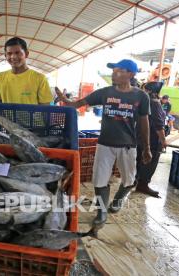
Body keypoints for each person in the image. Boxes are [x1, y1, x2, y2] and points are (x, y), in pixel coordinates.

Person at [55, 59, 151, 231]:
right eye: (113, 70)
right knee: (99, 180)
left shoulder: (141, 96)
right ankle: (101, 213)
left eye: (119, 70)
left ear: (131, 74)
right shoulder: (105, 92)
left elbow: (144, 123)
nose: (114, 73)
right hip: (104, 144)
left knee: (129, 179)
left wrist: (147, 148)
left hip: (128, 145)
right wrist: (65, 100)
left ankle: (118, 200)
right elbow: (78, 104)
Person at [0, 37, 53, 105]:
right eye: (9, 53)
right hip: (3, 116)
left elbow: (45, 108)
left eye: (17, 53)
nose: (13, 57)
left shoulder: (40, 78)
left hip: (32, 116)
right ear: (5, 56)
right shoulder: (0, 77)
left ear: (26, 54)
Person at [135, 82, 167, 198]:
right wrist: (163, 141)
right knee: (150, 162)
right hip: (152, 140)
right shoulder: (155, 104)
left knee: (140, 160)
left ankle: (136, 181)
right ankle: (143, 184)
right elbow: (159, 125)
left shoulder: (141, 102)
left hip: (140, 137)